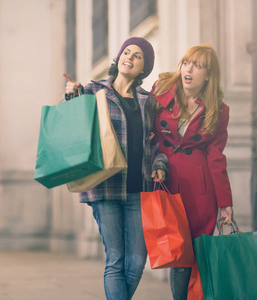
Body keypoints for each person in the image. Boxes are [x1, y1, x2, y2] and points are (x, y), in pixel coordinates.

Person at [63, 37, 167, 300]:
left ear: (144, 68)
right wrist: (71, 96)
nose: (129, 58)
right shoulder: (93, 90)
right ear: (119, 57)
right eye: (126, 52)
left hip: (137, 188)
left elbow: (155, 143)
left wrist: (159, 164)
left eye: (137, 56)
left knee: (136, 261)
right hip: (104, 186)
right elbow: (75, 126)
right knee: (116, 258)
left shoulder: (147, 101)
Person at [152, 44, 234, 300]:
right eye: (187, 62)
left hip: (200, 191)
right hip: (167, 183)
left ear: (208, 75)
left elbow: (216, 158)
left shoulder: (219, 111)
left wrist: (225, 203)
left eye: (197, 66)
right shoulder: (162, 90)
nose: (189, 68)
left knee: (197, 255)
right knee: (178, 255)